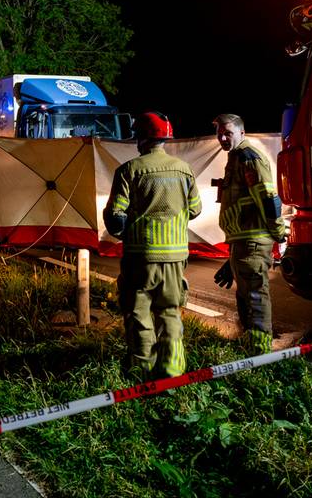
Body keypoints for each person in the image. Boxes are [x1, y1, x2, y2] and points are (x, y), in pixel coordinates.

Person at [102, 112, 201, 379]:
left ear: (141, 138)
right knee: (170, 312)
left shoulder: (129, 170)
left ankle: (142, 371)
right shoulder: (184, 170)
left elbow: (116, 217)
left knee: (139, 313)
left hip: (140, 256)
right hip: (176, 255)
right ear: (165, 139)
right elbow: (195, 210)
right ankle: (173, 370)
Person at [211, 113, 285, 355]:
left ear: (242, 133)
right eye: (220, 132)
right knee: (245, 297)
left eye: (228, 133)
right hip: (243, 243)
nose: (222, 137)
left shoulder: (248, 158)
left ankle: (260, 355)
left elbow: (267, 198)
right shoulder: (235, 158)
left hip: (253, 242)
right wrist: (231, 256)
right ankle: (249, 349)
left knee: (254, 296)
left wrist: (278, 232)